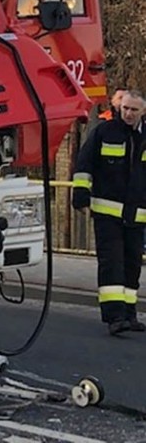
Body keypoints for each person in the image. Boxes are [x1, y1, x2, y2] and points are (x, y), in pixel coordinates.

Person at [72, 90, 146, 335]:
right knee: (112, 263)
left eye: (134, 110)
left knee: (132, 265)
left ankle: (129, 313)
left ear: (142, 111)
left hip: (138, 215)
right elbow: (84, 164)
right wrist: (81, 195)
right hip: (107, 213)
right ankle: (114, 317)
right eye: (125, 108)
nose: (128, 113)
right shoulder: (104, 132)